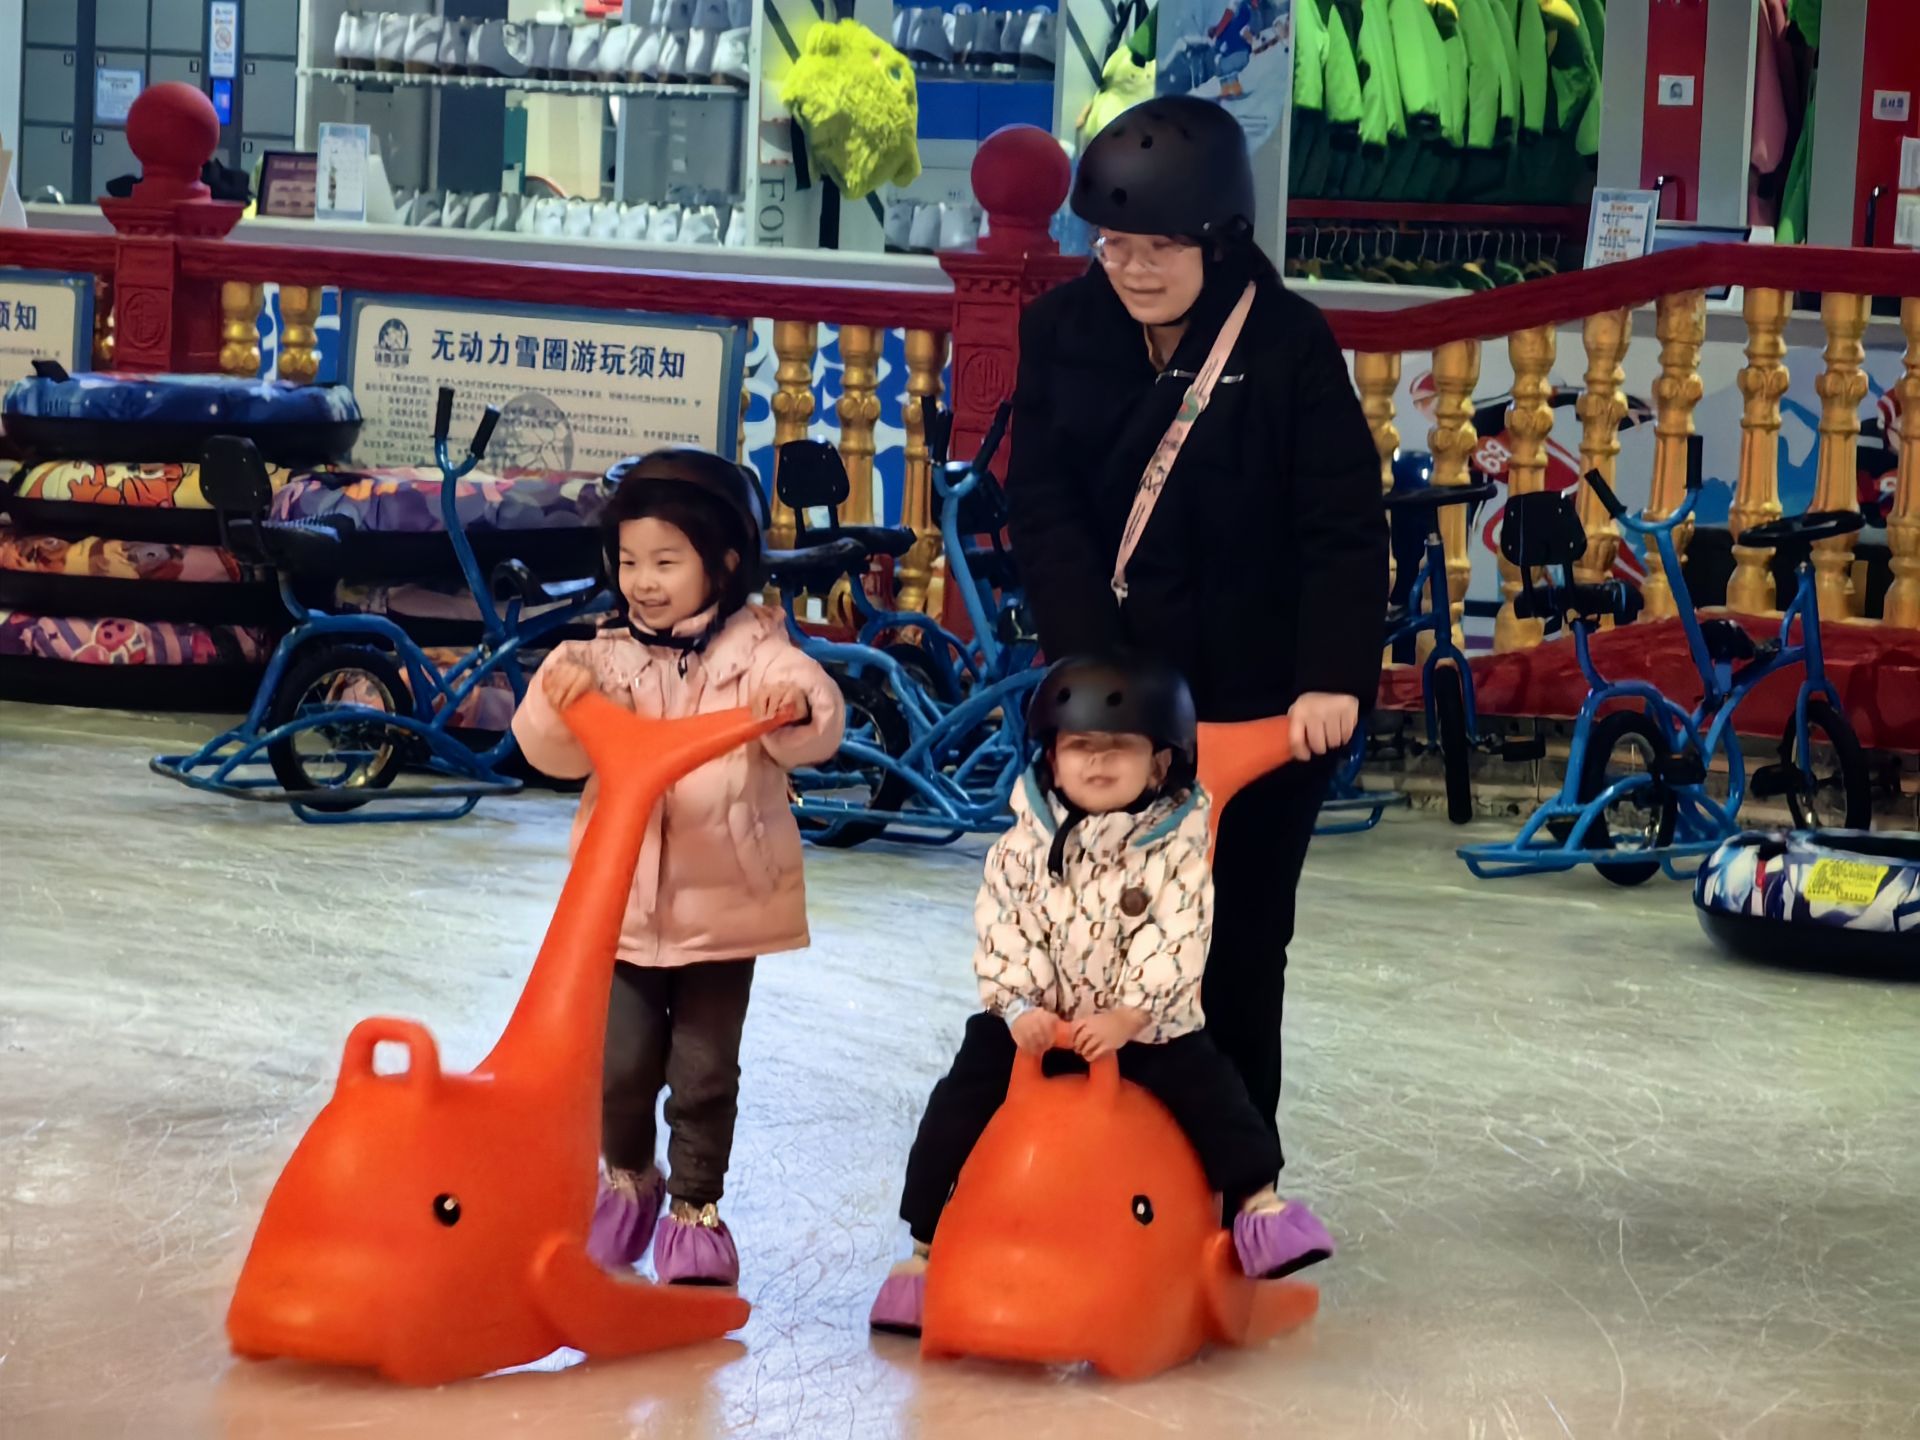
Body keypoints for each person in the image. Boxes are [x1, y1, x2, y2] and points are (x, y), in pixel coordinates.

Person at [1006, 98, 1387, 1151]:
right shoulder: (1062, 330)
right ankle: (1101, 1163)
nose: (1131, 269)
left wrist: (1332, 677)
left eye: (1160, 248)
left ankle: (1236, 1175)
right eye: (1113, 243)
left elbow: (1342, 526)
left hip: (1261, 697)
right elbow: (1044, 508)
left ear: (1220, 239)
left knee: (1237, 944)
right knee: (1097, 941)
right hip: (1119, 692)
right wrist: (1091, 669)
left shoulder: (1288, 343)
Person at [869, 656, 1335, 1334]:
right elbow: (1004, 926)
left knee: (1214, 1091)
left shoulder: (1175, 848)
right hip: (1036, 1024)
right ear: (1052, 759)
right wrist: (1019, 1007)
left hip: (1141, 1029)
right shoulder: (1020, 846)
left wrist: (1129, 1015)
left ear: (1160, 764)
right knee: (957, 1103)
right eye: (1080, 746)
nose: (1097, 761)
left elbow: (1178, 935)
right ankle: (923, 1250)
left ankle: (1258, 1206)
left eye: (1119, 747)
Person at [512, 449, 845, 1286]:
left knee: (703, 1075)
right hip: (622, 906)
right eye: (629, 562)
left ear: (724, 563)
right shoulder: (601, 657)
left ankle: (697, 1210)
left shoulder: (760, 652)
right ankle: (627, 1180)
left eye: (666, 562)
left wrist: (795, 710)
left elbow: (812, 718)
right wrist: (557, 700)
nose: (643, 582)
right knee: (619, 1069)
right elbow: (551, 755)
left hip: (723, 908)